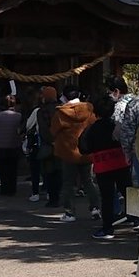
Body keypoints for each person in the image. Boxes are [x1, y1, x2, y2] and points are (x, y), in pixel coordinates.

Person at [79, 92, 132, 240]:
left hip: (103, 165)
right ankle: (137, 220)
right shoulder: (117, 125)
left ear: (95, 111)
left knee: (107, 198)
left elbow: (84, 148)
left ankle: (108, 228)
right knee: (129, 193)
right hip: (121, 163)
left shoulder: (92, 129)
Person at [50, 88, 99, 223]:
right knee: (88, 181)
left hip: (68, 152)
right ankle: (95, 208)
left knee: (68, 183)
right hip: (86, 151)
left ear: (64, 97)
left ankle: (69, 212)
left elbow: (53, 131)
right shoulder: (89, 110)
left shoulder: (60, 113)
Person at [0, 94, 25, 196]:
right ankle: (12, 188)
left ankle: (4, 188)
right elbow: (22, 129)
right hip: (14, 144)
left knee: (2, 169)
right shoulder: (19, 116)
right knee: (13, 168)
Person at [36, 86, 63, 210]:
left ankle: (53, 199)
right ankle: (63, 199)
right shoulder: (62, 108)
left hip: (48, 145)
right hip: (62, 144)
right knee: (61, 173)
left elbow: (43, 130)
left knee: (50, 174)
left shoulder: (41, 111)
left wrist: (50, 141)